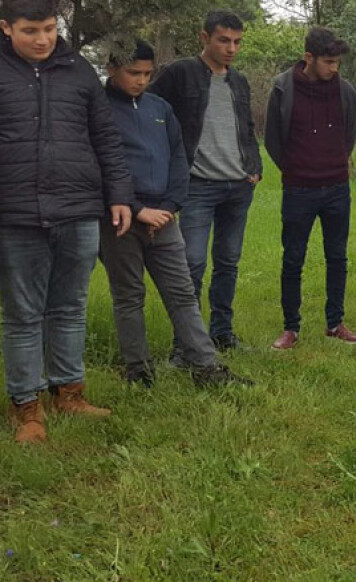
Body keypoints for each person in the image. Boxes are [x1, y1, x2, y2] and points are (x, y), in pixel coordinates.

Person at [1, 0, 134, 443]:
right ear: (6, 28)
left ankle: (70, 394)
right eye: (30, 31)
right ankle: (26, 407)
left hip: (78, 209)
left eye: (48, 29)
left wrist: (118, 195)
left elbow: (106, 139)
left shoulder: (79, 71)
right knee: (23, 314)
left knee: (70, 307)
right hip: (15, 212)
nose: (42, 39)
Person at [100, 40, 251, 390]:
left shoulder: (160, 108)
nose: (140, 80)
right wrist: (138, 211)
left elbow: (179, 159)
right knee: (129, 295)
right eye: (133, 73)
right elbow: (100, 168)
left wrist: (169, 207)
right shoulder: (98, 109)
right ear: (111, 70)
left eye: (147, 74)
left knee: (182, 291)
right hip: (121, 220)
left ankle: (205, 366)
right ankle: (138, 371)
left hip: (165, 220)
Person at [150, 10, 263, 353]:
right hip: (197, 185)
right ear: (204, 38)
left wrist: (254, 167)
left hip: (238, 185)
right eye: (223, 40)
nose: (231, 48)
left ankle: (222, 333)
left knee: (228, 262)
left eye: (237, 42)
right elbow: (151, 116)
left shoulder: (238, 80)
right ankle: (185, 344)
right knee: (192, 263)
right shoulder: (180, 74)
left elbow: (246, 128)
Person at [264, 26, 356, 350]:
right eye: (329, 62)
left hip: (337, 188)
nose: (334, 69)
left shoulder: (346, 91)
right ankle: (290, 328)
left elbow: (349, 136)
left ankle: (335, 323)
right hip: (298, 190)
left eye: (337, 63)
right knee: (293, 258)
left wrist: (335, 164)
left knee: (337, 257)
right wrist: (294, 170)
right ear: (309, 57)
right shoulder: (283, 87)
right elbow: (273, 139)